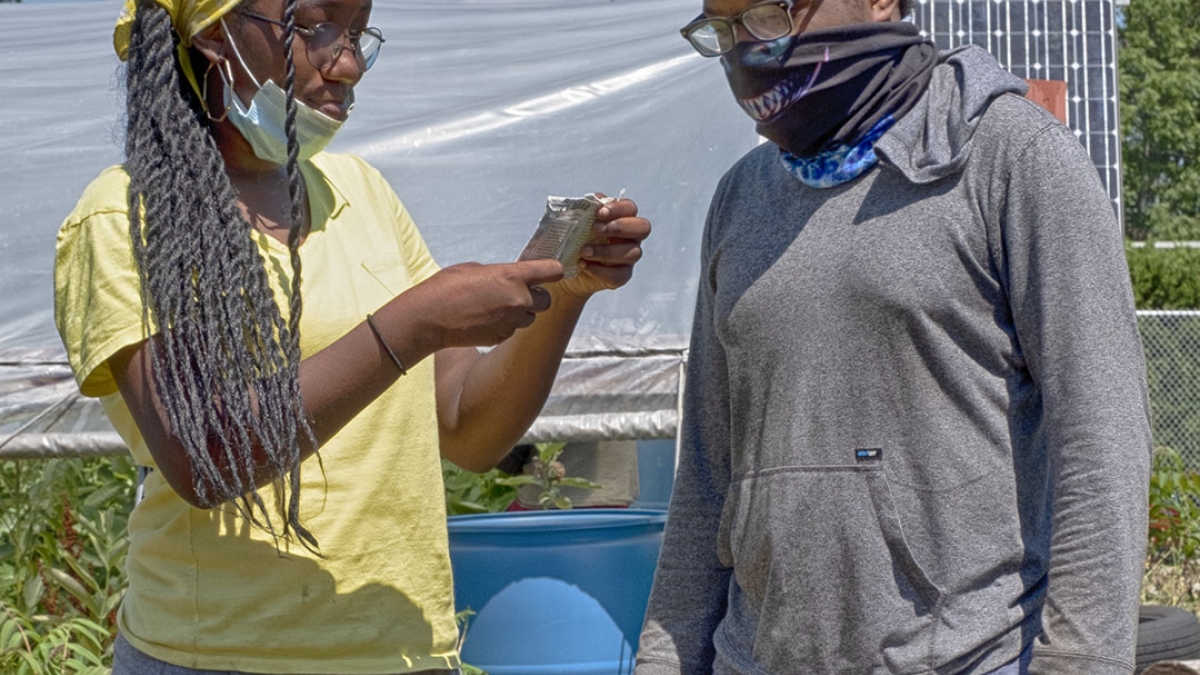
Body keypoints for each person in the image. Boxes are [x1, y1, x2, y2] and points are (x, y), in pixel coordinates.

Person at [52, 0, 650, 672]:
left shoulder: (360, 192)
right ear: (216, 34)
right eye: (316, 28)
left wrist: (564, 292)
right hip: (219, 655)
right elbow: (205, 457)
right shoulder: (126, 216)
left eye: (359, 33)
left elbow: (470, 429)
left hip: (403, 651)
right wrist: (412, 324)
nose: (349, 64)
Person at [635, 0, 1151, 674]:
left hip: (973, 657)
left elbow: (1101, 437)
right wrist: (663, 660)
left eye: (768, 13)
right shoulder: (741, 198)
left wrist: (1081, 662)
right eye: (723, 28)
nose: (746, 51)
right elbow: (708, 471)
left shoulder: (1012, 156)